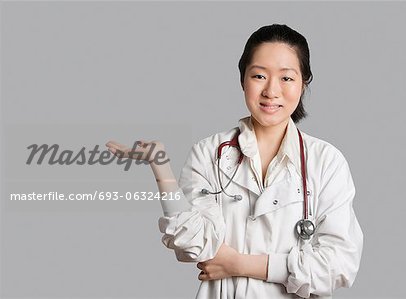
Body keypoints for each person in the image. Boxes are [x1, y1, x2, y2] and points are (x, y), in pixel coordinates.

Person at [106, 23, 363, 299]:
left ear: (304, 82)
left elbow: (337, 266)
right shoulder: (209, 153)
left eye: (286, 78)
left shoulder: (326, 162)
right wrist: (161, 169)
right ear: (243, 80)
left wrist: (239, 264)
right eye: (259, 76)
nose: (271, 91)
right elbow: (194, 244)